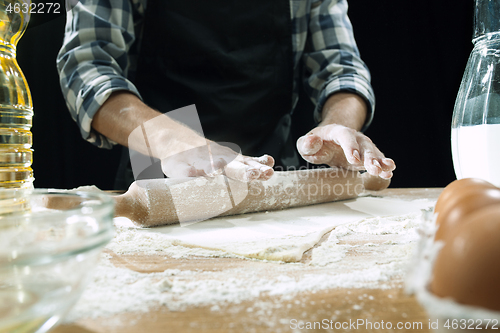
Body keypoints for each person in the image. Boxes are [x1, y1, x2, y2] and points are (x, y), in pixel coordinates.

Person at [57, 0, 395, 189]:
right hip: (161, 182)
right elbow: (87, 66)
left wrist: (338, 125)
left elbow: (342, 68)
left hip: (272, 179)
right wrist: (178, 144)